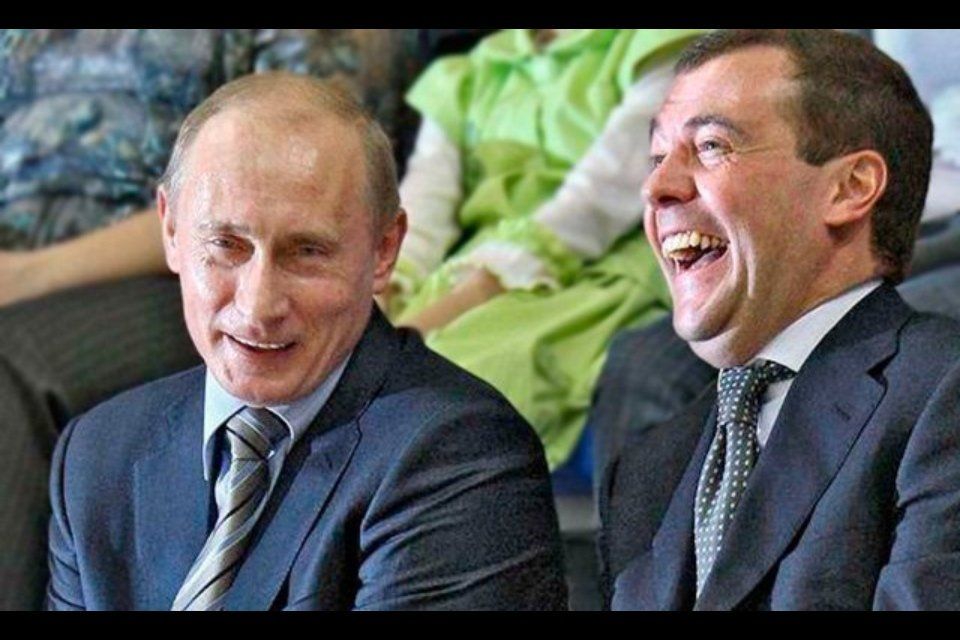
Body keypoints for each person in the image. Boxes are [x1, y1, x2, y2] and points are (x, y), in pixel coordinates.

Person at [0, 29, 491, 610]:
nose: (259, 304)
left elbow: (306, 155)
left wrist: (26, 276)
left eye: (307, 251)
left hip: (125, 286)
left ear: (385, 250)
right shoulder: (93, 457)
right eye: (228, 246)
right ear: (172, 226)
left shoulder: (456, 453)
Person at [597, 29, 960, 610]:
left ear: (849, 188)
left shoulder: (943, 393)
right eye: (657, 158)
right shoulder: (646, 471)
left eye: (711, 146)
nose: (656, 187)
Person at [386, 29, 704, 469]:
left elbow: (598, 201)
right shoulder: (471, 71)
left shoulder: (657, 46)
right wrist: (389, 284)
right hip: (469, 269)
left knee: (456, 380)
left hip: (598, 270)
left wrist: (470, 294)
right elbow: (426, 203)